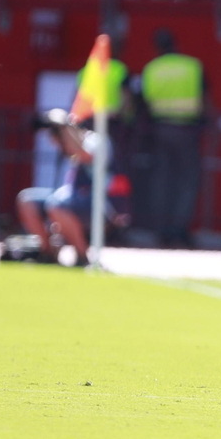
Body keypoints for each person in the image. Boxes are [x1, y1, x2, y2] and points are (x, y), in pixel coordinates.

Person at [16, 111, 127, 263]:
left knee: (55, 205)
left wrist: (65, 127)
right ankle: (48, 254)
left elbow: (83, 154)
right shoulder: (69, 144)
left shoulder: (98, 141)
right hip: (73, 198)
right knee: (26, 200)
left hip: (100, 204)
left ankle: (82, 256)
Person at [138, 29, 207, 247]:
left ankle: (162, 230)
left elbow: (144, 103)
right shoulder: (192, 66)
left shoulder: (151, 69)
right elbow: (206, 98)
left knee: (161, 181)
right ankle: (179, 230)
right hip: (187, 131)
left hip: (160, 130)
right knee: (186, 181)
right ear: (175, 43)